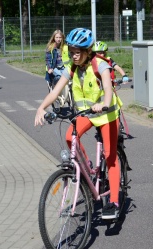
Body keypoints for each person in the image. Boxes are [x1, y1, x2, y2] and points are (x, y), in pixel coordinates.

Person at [35, 28, 121, 219]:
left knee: (110, 156)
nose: (73, 55)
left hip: (106, 114)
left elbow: (107, 88)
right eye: (71, 51)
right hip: (87, 114)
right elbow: (55, 91)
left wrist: (104, 104)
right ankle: (87, 165)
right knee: (69, 136)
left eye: (77, 52)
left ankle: (114, 200)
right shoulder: (72, 68)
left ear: (87, 51)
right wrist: (41, 108)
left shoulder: (101, 65)